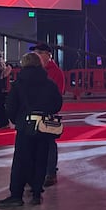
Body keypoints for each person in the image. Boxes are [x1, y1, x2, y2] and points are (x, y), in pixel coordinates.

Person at [0, 53, 63, 207]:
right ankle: (36, 193)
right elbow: (57, 104)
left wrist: (17, 120)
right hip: (44, 126)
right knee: (40, 159)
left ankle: (16, 195)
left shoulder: (19, 83)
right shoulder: (49, 83)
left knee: (21, 160)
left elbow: (11, 107)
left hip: (25, 126)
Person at [30, 43, 65, 186]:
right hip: (33, 112)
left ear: (47, 55)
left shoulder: (55, 72)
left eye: (38, 52)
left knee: (49, 143)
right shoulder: (34, 70)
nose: (36, 55)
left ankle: (51, 173)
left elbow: (57, 94)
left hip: (48, 112)